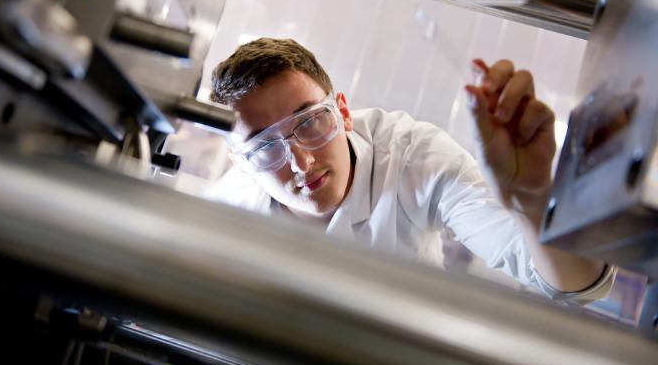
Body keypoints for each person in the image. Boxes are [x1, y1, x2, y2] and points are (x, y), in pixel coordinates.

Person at [208, 37, 614, 303]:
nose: (302, 161)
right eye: (264, 147)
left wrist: (532, 200)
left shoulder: (413, 157)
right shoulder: (223, 213)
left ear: (344, 112)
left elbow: (569, 284)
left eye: (311, 121)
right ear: (240, 163)